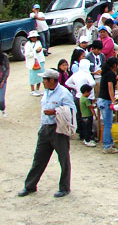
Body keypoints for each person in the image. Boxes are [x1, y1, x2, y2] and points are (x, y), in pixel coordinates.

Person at [18, 68, 75, 198]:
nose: (42, 82)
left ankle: (64, 187)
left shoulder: (64, 94)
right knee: (39, 159)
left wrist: (55, 112)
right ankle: (30, 186)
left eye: (44, 79)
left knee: (64, 160)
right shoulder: (47, 92)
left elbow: (71, 111)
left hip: (58, 129)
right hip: (45, 128)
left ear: (51, 80)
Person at [97, 57, 118, 154]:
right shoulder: (110, 74)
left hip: (101, 99)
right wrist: (113, 101)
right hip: (106, 100)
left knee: (107, 123)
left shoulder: (107, 73)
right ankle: (107, 146)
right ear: (114, 65)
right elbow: (110, 87)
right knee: (108, 124)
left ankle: (110, 143)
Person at [25, 30, 45, 96]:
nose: (34, 38)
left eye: (35, 37)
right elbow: (27, 54)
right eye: (33, 37)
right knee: (33, 76)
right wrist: (35, 52)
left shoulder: (38, 42)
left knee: (40, 76)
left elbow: (40, 51)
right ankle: (32, 90)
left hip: (40, 60)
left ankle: (37, 89)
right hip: (32, 62)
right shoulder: (27, 44)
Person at [0, 51, 9, 117]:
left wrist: (3, 81)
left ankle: (3, 109)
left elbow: (7, 68)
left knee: (1, 99)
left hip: (2, 80)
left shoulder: (4, 56)